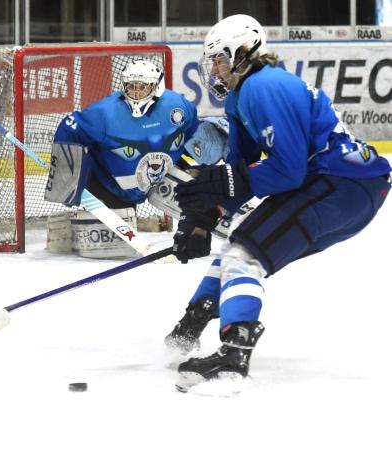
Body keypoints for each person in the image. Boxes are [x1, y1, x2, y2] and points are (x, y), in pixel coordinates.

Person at [164, 14, 391, 391]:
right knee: (240, 247)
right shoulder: (240, 97)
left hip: (341, 183)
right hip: (342, 186)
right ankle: (193, 322)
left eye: (219, 59)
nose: (214, 69)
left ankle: (234, 354)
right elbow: (239, 173)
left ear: (242, 53)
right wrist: (204, 217)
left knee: (244, 256)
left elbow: (287, 170)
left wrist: (223, 183)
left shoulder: (264, 86)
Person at [48, 58, 220, 259]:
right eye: (131, 86)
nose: (136, 92)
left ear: (157, 87)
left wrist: (187, 168)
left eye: (142, 87)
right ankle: (66, 226)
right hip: (110, 184)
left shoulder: (179, 107)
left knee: (200, 225)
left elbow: (191, 133)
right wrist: (65, 174)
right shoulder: (104, 113)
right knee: (115, 251)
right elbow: (68, 128)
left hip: (161, 177)